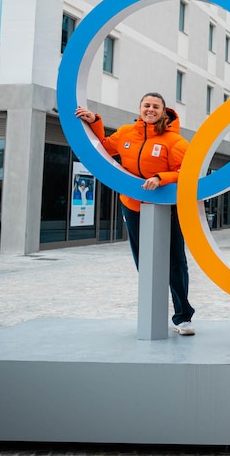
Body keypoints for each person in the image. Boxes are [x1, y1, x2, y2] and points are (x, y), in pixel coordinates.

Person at [75, 93, 196, 336]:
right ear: (140, 108)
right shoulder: (126, 133)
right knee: (144, 262)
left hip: (166, 208)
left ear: (164, 111)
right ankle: (153, 314)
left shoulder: (175, 141)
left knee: (175, 262)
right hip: (132, 206)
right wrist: (94, 121)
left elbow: (186, 172)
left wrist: (160, 178)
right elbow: (104, 148)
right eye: (146, 105)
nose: (150, 109)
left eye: (155, 106)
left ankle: (183, 316)